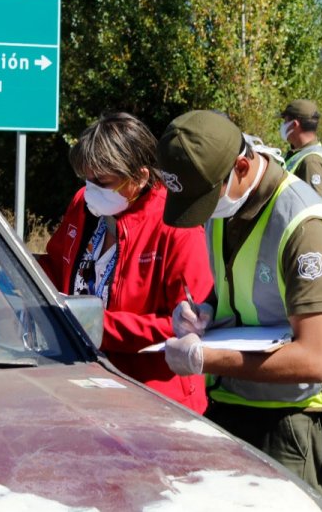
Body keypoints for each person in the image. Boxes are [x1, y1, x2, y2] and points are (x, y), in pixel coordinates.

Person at [156, 109, 322, 500]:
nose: (205, 212)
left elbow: (312, 360)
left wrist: (204, 359)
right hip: (229, 407)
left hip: (287, 423)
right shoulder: (224, 201)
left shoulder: (304, 226)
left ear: (241, 165)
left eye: (204, 199)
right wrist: (204, 313)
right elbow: (239, 293)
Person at [37, 112, 214, 414]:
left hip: (156, 399)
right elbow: (58, 266)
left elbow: (187, 325)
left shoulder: (175, 225)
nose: (90, 188)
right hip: (85, 387)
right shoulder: (84, 203)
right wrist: (18, 271)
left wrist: (95, 325)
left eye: (102, 181)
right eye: (86, 178)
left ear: (141, 176)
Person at [279, 99, 322, 200]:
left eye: (285, 121)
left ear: (294, 125)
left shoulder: (311, 161)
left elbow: (312, 206)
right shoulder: (299, 152)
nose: (283, 125)